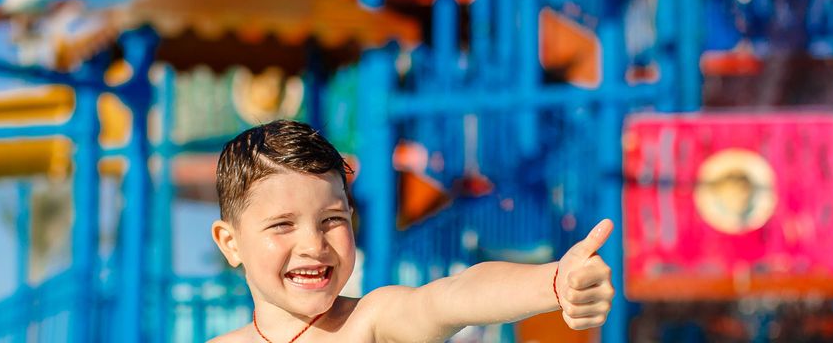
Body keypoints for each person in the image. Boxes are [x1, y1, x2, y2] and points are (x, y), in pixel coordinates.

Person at [208, 120, 616, 343]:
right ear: (230, 242)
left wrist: (552, 281)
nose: (314, 244)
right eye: (282, 225)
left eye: (332, 219)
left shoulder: (370, 322)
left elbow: (452, 298)